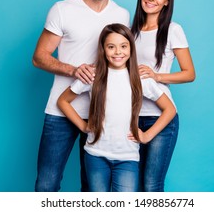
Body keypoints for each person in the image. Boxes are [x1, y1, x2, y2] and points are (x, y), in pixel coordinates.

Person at [32, 0, 130, 192]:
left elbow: (122, 62)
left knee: (93, 189)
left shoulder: (122, 15)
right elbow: (39, 57)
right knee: (47, 184)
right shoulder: (63, 9)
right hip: (61, 110)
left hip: (102, 113)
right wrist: (74, 70)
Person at [57, 24, 176, 192]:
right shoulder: (93, 75)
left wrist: (147, 135)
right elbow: (63, 101)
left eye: (123, 46)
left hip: (127, 158)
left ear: (131, 48)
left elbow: (170, 109)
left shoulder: (141, 79)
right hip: (95, 154)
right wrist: (83, 126)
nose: (118, 52)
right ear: (103, 50)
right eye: (111, 47)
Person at [131, 0, 196, 192]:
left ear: (167, 1)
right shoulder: (131, 31)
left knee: (151, 186)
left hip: (161, 119)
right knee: (133, 187)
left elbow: (189, 73)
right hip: (131, 117)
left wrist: (157, 76)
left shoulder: (173, 30)